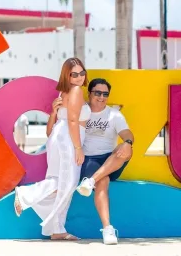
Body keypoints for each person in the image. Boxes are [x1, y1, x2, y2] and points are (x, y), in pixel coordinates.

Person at [13, 58, 90, 240]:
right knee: (67, 183)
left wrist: (54, 114)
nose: (79, 77)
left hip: (59, 136)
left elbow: (50, 131)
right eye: (74, 74)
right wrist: (78, 148)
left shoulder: (65, 92)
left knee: (62, 182)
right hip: (68, 139)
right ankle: (26, 194)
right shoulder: (76, 91)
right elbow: (72, 121)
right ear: (67, 75)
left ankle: (57, 230)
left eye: (82, 73)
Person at [73, 78, 134, 245]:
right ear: (89, 93)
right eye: (97, 93)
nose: (101, 97)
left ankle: (90, 181)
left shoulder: (114, 114)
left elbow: (127, 134)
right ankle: (108, 229)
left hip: (110, 159)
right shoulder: (81, 110)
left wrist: (127, 143)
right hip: (89, 159)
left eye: (105, 94)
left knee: (127, 149)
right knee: (103, 181)